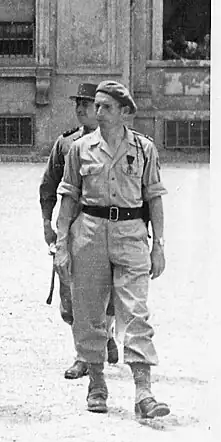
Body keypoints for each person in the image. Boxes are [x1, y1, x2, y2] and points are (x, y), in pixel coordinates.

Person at [53, 81, 170, 418]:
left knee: (135, 312)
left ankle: (144, 392)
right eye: (97, 106)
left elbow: (155, 198)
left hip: (131, 235)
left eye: (105, 107)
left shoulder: (145, 149)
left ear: (124, 112)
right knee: (88, 312)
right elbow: (68, 198)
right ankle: (97, 383)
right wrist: (62, 246)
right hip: (88, 234)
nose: (98, 112)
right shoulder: (80, 148)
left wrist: (158, 245)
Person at [39, 83, 117, 379]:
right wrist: (48, 223)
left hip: (107, 229)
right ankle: (98, 338)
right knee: (70, 301)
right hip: (73, 230)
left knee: (107, 293)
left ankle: (87, 352)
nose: (82, 109)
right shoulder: (66, 144)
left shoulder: (118, 143)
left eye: (88, 104)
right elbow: (48, 187)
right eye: (79, 104)